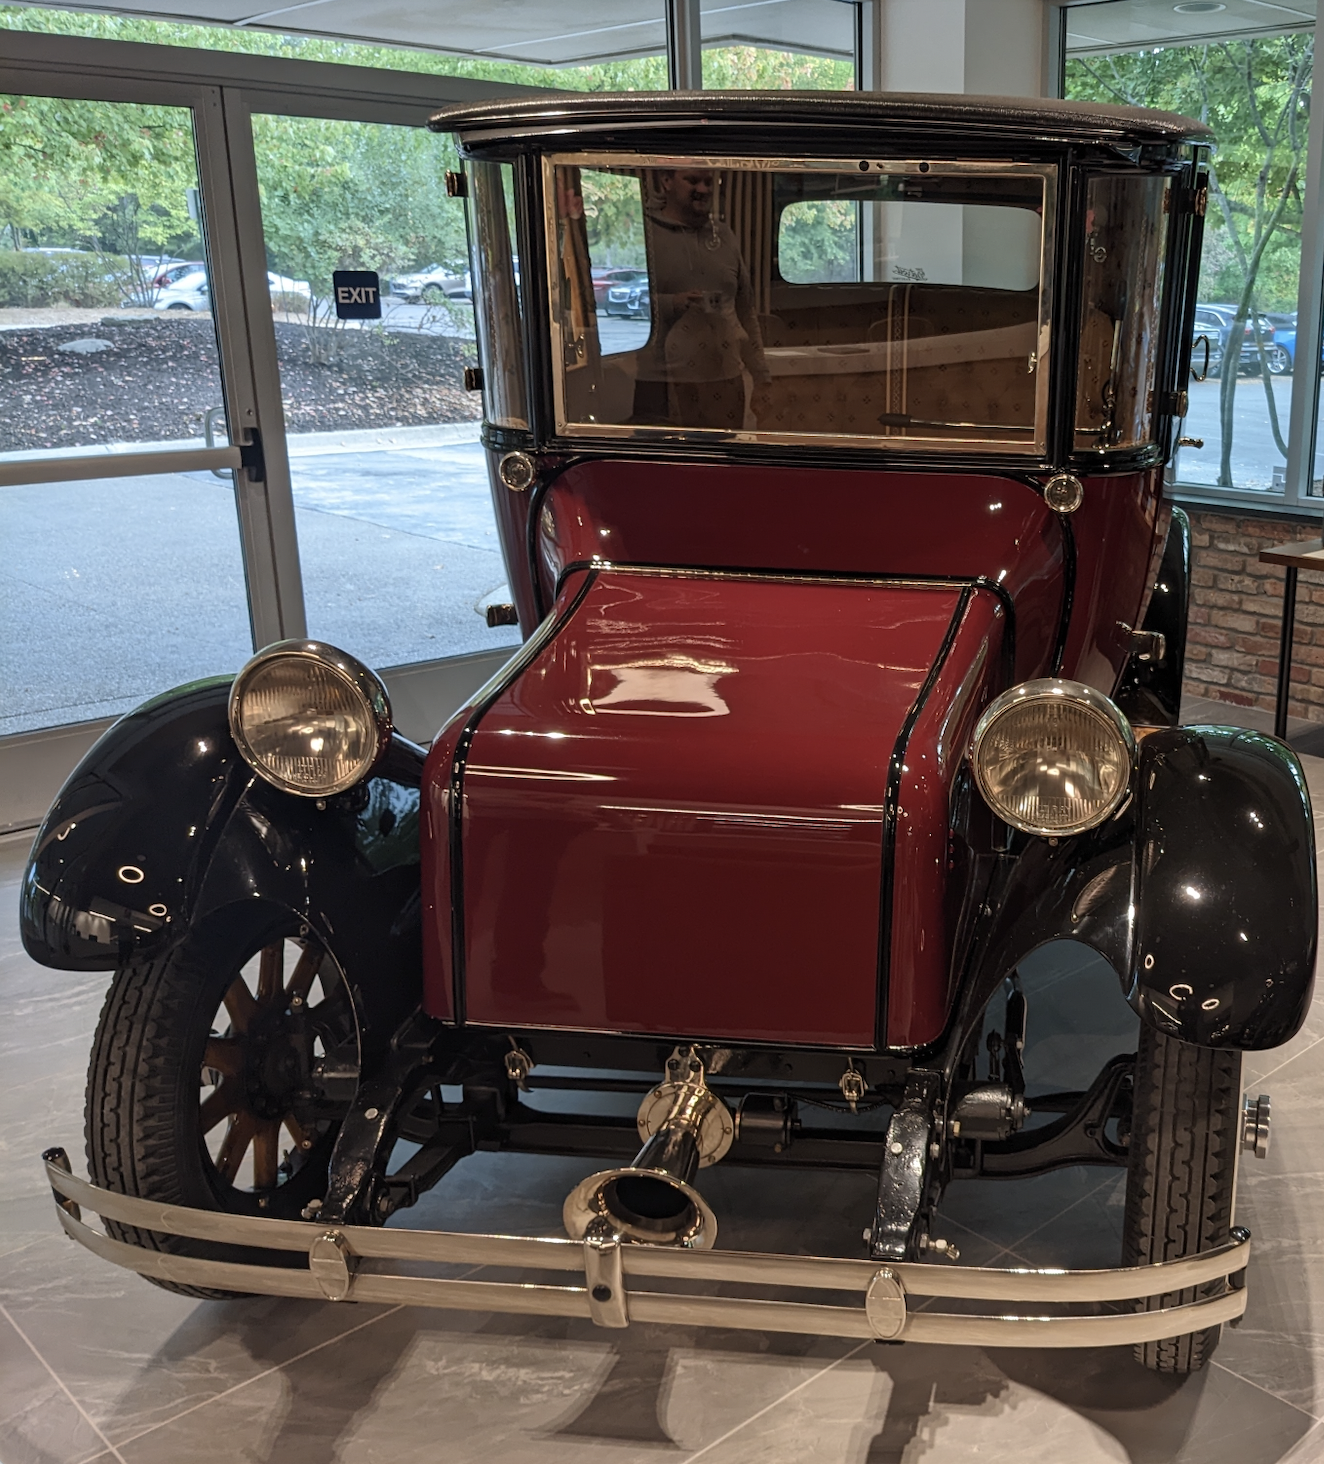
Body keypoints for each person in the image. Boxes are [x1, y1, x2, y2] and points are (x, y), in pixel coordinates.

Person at [632, 168, 770, 430]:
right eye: (693, 180)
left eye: (709, 182)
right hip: (660, 383)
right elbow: (620, 305)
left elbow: (745, 311)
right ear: (666, 181)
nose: (703, 189)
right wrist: (672, 303)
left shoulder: (725, 237)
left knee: (725, 467)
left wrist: (762, 377)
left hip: (726, 379)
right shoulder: (643, 236)